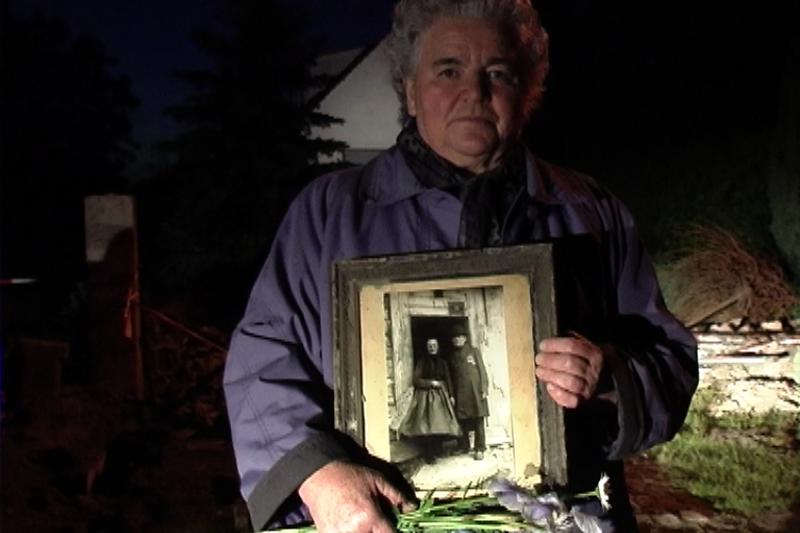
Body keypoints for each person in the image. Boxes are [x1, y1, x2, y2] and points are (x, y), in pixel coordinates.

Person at [223, 1, 698, 531]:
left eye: (498, 73)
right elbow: (261, 363)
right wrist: (317, 476)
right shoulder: (329, 213)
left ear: (528, 91)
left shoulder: (591, 212)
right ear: (410, 90)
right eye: (448, 70)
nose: (474, 92)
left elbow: (671, 361)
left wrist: (609, 375)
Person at [397, 337, 461, 462]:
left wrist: (451, 395)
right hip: (426, 398)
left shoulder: (442, 363)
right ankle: (429, 454)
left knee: (441, 424)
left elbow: (448, 379)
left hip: (441, 397)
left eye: (434, 345)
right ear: (427, 348)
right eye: (430, 346)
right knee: (427, 426)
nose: (432, 348)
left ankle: (438, 449)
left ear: (438, 347)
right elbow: (416, 380)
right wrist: (431, 383)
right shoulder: (422, 362)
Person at [446, 324, 489, 460]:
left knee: (478, 419)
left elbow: (482, 370)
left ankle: (480, 448)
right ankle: (464, 446)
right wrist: (452, 394)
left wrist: (484, 388)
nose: (457, 339)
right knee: (462, 421)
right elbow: (449, 378)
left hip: (475, 392)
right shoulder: (451, 356)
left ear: (465, 338)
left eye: (460, 337)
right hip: (460, 393)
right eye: (454, 338)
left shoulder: (474, 352)